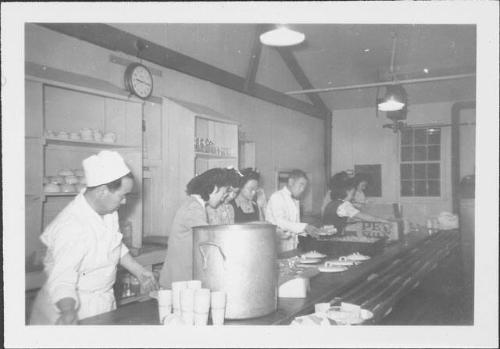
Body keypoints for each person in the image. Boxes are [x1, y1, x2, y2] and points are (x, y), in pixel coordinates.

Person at [29, 151, 157, 325]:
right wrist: (68, 312)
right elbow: (62, 279)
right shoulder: (72, 226)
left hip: (101, 302)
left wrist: (138, 271)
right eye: (122, 195)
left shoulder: (108, 211)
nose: (125, 201)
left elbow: (114, 245)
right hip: (71, 308)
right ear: (102, 191)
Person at [159, 168, 236, 288]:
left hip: (180, 279)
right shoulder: (194, 208)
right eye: (224, 192)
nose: (223, 198)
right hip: (179, 282)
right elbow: (211, 239)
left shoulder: (194, 204)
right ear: (215, 188)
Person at [265, 169, 321, 252]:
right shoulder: (277, 197)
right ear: (291, 182)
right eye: (301, 185)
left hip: (293, 247)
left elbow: (294, 225)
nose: (302, 189)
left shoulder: (295, 200)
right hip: (279, 247)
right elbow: (280, 222)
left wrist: (309, 231)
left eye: (304, 187)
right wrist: (305, 227)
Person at [322, 177, 389, 235]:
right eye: (352, 194)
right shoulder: (344, 205)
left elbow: (338, 218)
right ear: (347, 192)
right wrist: (382, 220)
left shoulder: (331, 203)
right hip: (335, 236)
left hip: (326, 235)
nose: (353, 196)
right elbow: (366, 217)